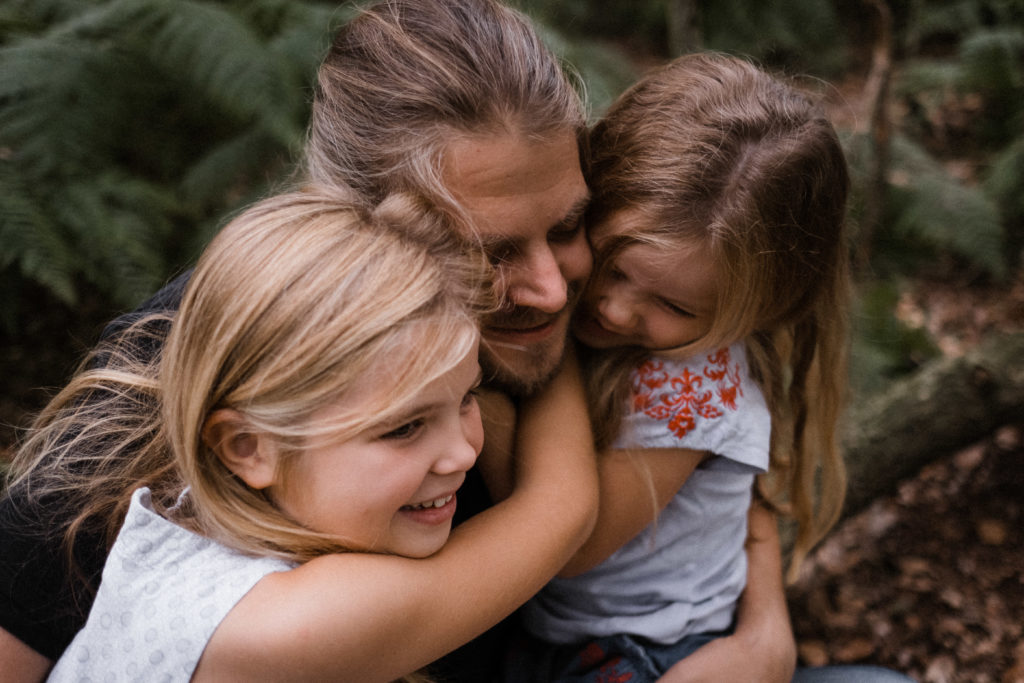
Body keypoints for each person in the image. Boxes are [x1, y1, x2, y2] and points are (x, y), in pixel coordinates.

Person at [0, 2, 792, 679]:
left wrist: (765, 629)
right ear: (360, 232)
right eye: (490, 252)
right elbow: (563, 512)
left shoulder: (612, 302)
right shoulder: (208, 372)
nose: (554, 287)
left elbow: (718, 478)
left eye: (569, 223)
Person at [7, 188, 598, 681]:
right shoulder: (285, 628)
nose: (465, 449)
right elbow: (561, 509)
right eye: (405, 427)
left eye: (468, 396)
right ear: (248, 448)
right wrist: (553, 330)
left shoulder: (191, 516)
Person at [495, 53, 914, 682]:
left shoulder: (697, 387)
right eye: (610, 261)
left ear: (753, 316)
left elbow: (573, 548)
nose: (611, 307)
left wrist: (507, 390)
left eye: (671, 304)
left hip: (646, 653)